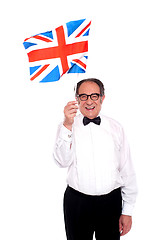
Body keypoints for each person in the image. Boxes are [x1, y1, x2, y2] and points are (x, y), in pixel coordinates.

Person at [53, 78, 137, 240]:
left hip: (110, 202)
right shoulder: (66, 126)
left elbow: (127, 169)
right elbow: (61, 161)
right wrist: (67, 125)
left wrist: (127, 210)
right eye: (83, 96)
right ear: (77, 99)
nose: (89, 101)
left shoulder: (116, 127)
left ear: (102, 98)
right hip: (77, 202)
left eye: (94, 96)